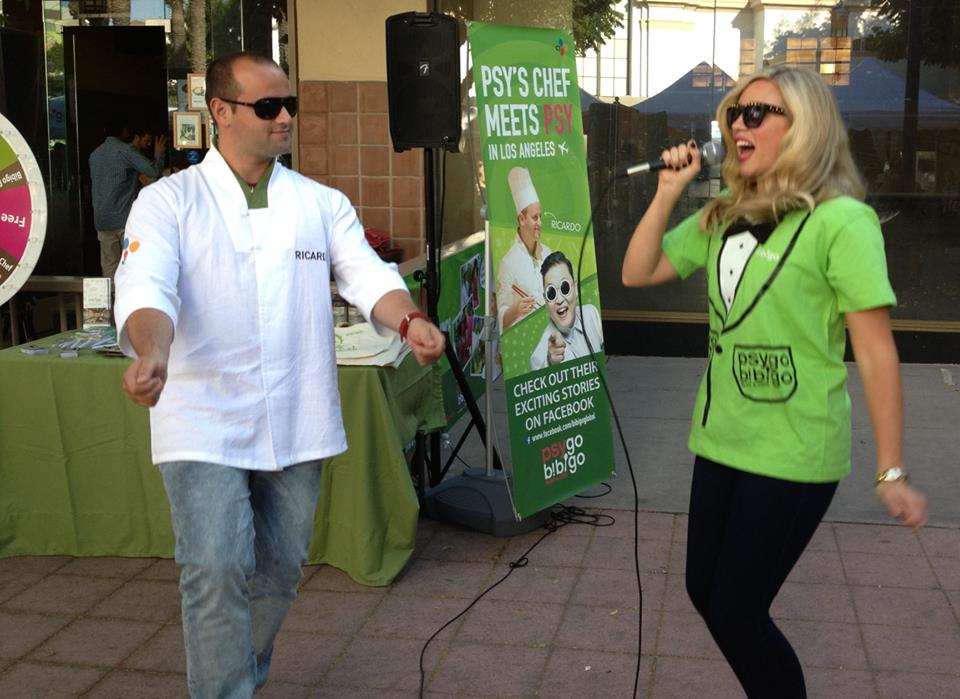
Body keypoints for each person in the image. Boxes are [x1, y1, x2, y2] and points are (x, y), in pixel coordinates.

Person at [113, 51, 445, 698]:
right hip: (201, 414)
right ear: (220, 111)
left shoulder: (318, 203)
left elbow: (367, 276)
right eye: (268, 106)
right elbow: (146, 287)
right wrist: (152, 352)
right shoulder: (168, 202)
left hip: (297, 410)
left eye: (289, 103)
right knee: (215, 566)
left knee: (282, 569)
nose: (286, 116)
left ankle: (238, 673)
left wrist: (408, 322)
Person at [620, 66, 927, 698]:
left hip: (794, 449)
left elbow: (875, 353)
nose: (740, 123)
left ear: (804, 128)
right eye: (736, 112)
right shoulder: (724, 214)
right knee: (703, 590)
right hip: (721, 438)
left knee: (737, 611)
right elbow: (637, 272)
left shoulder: (843, 222)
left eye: (758, 113)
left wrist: (890, 470)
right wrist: (668, 191)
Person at [88, 119, 167, 278]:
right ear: (124, 131)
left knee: (109, 266)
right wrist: (159, 153)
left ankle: (111, 293)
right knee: (132, 263)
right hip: (124, 218)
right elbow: (153, 171)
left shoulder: (94, 154)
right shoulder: (125, 150)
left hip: (101, 220)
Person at [495, 166, 551, 331]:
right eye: (535, 218)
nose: (540, 223)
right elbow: (500, 315)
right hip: (524, 338)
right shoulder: (508, 263)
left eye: (540, 217)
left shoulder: (548, 253)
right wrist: (515, 310)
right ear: (521, 219)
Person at [530, 251, 603, 370]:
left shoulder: (591, 314)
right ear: (545, 301)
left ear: (575, 289)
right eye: (551, 293)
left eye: (565, 287)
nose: (559, 300)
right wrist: (550, 362)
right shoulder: (538, 357)